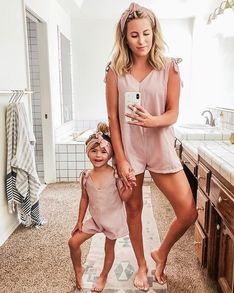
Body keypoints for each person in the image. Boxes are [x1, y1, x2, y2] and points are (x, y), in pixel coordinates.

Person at [105, 2, 198, 291]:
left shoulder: (170, 67)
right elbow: (112, 119)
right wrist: (120, 159)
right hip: (129, 151)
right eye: (134, 35)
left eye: (146, 33)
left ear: (154, 32)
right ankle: (142, 264)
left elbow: (173, 113)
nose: (142, 41)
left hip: (160, 146)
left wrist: (153, 120)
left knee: (188, 212)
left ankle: (161, 252)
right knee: (134, 209)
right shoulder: (114, 71)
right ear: (125, 38)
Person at [68, 122, 135, 292]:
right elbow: (84, 199)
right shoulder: (85, 176)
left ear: (110, 153)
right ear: (87, 152)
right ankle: (78, 269)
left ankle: (103, 275)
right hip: (96, 219)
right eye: (94, 151)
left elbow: (124, 198)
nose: (98, 155)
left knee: (109, 248)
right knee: (73, 242)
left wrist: (129, 188)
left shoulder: (115, 174)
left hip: (112, 220)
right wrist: (79, 221)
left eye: (103, 151)